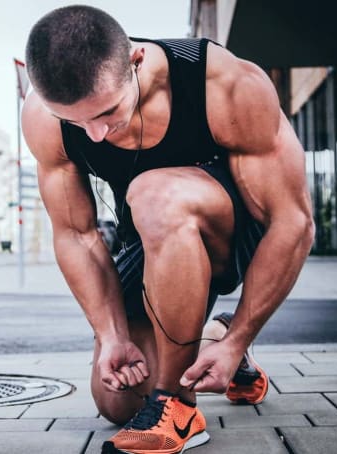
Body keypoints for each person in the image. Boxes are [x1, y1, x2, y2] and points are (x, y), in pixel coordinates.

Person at [22, 5, 314, 454]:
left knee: (154, 192)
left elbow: (292, 221)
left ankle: (178, 407)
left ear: (136, 61)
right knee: (118, 400)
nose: (95, 134)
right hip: (152, 239)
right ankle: (206, 338)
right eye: (76, 122)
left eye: (107, 111)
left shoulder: (222, 82)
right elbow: (76, 235)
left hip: (234, 232)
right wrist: (111, 335)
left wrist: (241, 338)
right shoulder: (43, 117)